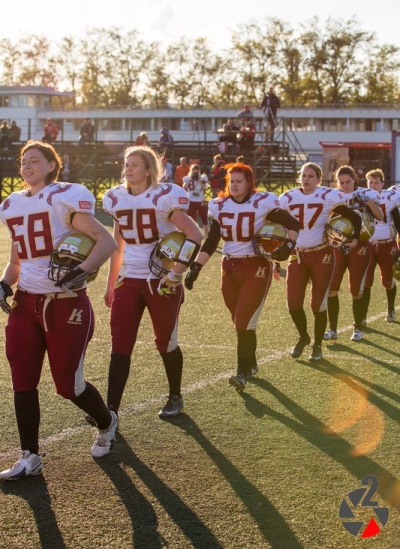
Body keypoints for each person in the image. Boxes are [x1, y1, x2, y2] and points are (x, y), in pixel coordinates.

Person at [0, 140, 119, 481]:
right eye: (24, 161)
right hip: (26, 303)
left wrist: (82, 271)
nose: (27, 165)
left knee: (67, 385)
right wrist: (4, 284)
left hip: (66, 305)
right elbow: (15, 262)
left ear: (53, 166)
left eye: (35, 160)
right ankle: (29, 457)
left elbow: (106, 240)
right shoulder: (12, 204)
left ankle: (107, 421)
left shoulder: (60, 198)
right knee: (22, 380)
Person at [100, 146, 203, 419]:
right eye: (126, 164)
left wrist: (177, 272)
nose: (128, 169)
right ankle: (111, 411)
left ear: (148, 170)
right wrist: (111, 284)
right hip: (129, 280)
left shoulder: (162, 198)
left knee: (165, 342)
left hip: (161, 281)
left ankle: (175, 396)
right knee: (119, 344)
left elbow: (194, 234)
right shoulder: (117, 199)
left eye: (135, 164)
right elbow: (117, 247)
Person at [184, 162, 299, 392]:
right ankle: (252, 363)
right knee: (240, 323)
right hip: (229, 267)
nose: (234, 184)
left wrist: (288, 244)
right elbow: (212, 239)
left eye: (239, 181)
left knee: (244, 319)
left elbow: (292, 223)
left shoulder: (262, 203)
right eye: (231, 181)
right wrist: (196, 267)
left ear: (249, 183)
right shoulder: (220, 205)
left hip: (256, 266)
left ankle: (241, 372)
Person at [279, 162, 362, 362]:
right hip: (297, 255)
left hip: (321, 254)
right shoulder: (288, 197)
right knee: (293, 303)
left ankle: (317, 345)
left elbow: (355, 218)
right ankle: (304, 336)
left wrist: (355, 239)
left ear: (318, 178)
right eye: (303, 175)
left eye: (310, 175)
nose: (306, 178)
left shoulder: (327, 196)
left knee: (318, 303)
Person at [323, 165, 383, 342]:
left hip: (360, 244)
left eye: (348, 181)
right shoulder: (333, 196)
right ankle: (332, 328)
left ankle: (357, 328)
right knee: (332, 287)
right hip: (338, 243)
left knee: (356, 288)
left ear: (355, 179)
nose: (345, 185)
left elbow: (380, 216)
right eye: (341, 182)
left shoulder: (367, 193)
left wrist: (367, 201)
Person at [361, 168, 400, 324]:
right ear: (367, 183)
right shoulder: (362, 197)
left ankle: (391, 309)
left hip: (386, 244)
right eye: (371, 182)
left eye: (377, 182)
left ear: (382, 184)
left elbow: (398, 221)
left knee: (388, 280)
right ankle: (362, 315)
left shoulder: (390, 198)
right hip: (369, 244)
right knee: (366, 280)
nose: (374, 185)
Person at [183, 163, 209, 235]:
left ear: (199, 171)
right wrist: (191, 177)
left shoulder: (203, 177)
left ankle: (207, 235)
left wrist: (199, 179)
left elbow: (204, 187)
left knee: (204, 219)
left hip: (201, 201)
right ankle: (193, 234)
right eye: (193, 172)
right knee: (192, 220)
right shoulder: (187, 178)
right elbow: (184, 187)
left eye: (196, 172)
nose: (195, 173)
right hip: (191, 201)